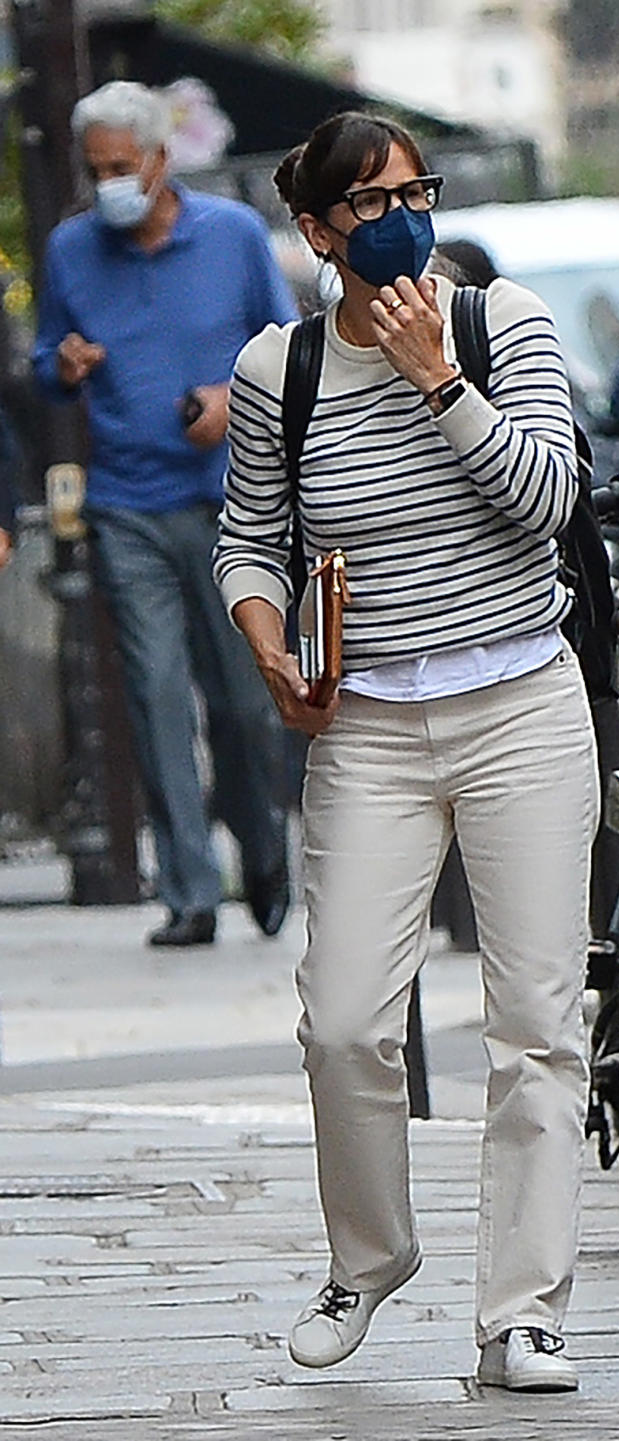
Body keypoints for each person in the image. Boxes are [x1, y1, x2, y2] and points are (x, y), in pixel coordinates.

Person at [213, 111, 598, 1392]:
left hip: (522, 705)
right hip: (369, 726)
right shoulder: (284, 372)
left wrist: (445, 379)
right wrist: (269, 645)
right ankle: (367, 1257)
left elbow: (548, 497)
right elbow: (250, 538)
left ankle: (521, 1313)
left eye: (415, 193)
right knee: (342, 1024)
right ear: (318, 233)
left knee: (538, 1021)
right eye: (370, 205)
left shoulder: (505, 326)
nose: (401, 220)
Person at [33, 80, 298, 948]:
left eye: (121, 165)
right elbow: (43, 358)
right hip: (127, 504)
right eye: (95, 167)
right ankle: (188, 890)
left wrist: (233, 398)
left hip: (234, 501)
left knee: (244, 701)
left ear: (158, 159)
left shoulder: (229, 234)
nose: (109, 180)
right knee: (154, 698)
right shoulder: (72, 250)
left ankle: (263, 853)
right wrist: (63, 364)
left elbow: (291, 348)